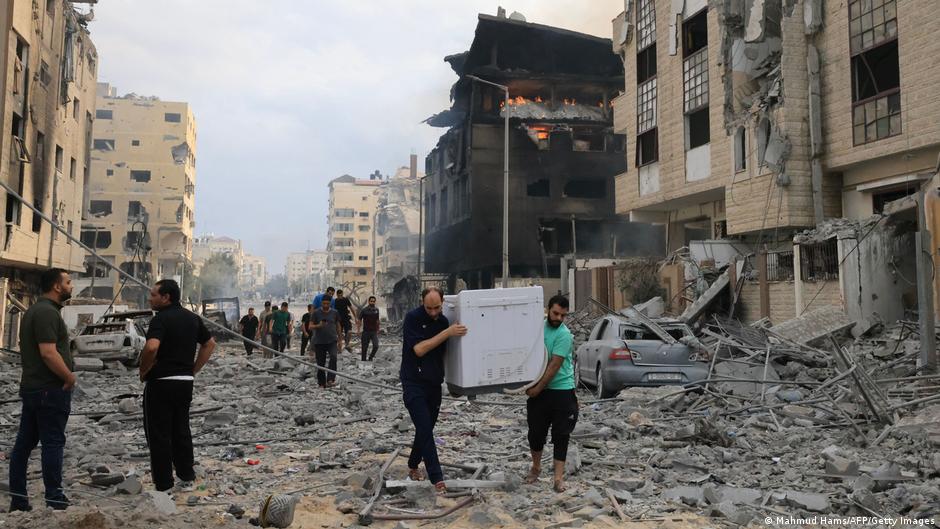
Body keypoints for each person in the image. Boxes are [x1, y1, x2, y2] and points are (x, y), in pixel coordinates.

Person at [138, 279, 216, 492]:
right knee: (181, 429)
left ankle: (164, 484)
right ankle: (186, 476)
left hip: (161, 383)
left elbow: (152, 347)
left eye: (153, 295)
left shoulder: (160, 319)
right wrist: (193, 370)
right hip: (184, 383)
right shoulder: (192, 318)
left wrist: (143, 370)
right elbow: (209, 344)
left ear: (166, 297)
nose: (150, 298)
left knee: (159, 433)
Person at [8, 268, 76, 511]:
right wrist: (69, 377)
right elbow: (48, 352)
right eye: (68, 282)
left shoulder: (37, 310)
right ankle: (54, 497)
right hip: (49, 390)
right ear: (57, 287)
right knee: (53, 442)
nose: (71, 286)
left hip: (34, 389)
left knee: (24, 444)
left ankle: (18, 499)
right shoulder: (47, 312)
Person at [400, 287, 467, 493]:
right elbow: (419, 349)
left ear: (443, 302)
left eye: (437, 308)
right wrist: (447, 332)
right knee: (425, 428)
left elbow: (445, 355)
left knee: (425, 428)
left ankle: (413, 464)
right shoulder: (412, 318)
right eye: (429, 308)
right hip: (413, 382)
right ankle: (437, 478)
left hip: (434, 383)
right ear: (422, 302)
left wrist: (455, 383)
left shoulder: (443, 321)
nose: (433, 312)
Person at [524, 295, 577, 493]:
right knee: (536, 433)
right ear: (548, 310)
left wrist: (536, 389)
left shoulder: (564, 335)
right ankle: (536, 467)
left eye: (563, 315)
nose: (559, 318)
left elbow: (554, 365)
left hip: (561, 390)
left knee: (561, 435)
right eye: (556, 313)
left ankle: (557, 478)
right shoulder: (537, 328)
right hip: (539, 390)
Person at [309, 295, 343, 388]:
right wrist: (318, 326)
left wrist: (340, 340)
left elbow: (338, 326)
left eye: (327, 303)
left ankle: (331, 379)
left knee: (333, 357)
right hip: (319, 342)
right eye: (324, 303)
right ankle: (321, 383)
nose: (325, 305)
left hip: (332, 340)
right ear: (321, 303)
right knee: (320, 363)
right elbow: (310, 326)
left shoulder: (335, 313)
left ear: (330, 303)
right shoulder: (316, 313)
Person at [357, 295, 380, 361]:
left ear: (375, 302)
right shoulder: (364, 310)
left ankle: (370, 357)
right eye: (371, 301)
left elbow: (377, 320)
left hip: (373, 332)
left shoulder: (376, 310)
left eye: (373, 301)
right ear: (368, 302)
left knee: (376, 346)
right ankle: (363, 361)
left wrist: (378, 329)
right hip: (366, 332)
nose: (372, 302)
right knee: (364, 348)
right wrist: (358, 330)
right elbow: (359, 320)